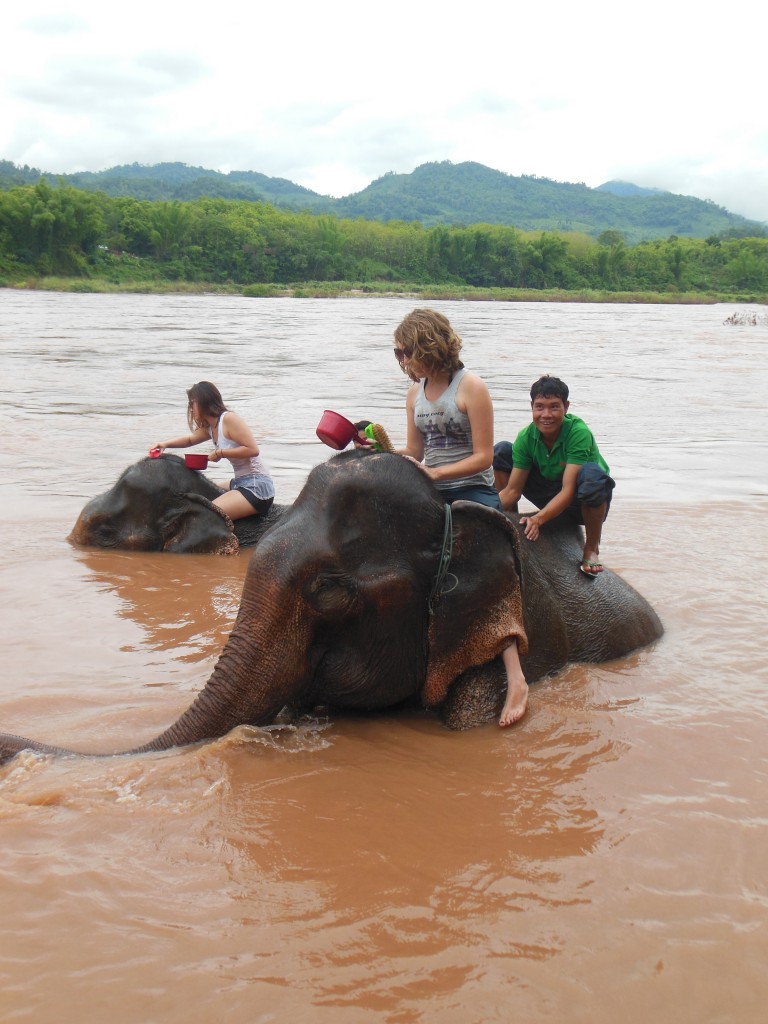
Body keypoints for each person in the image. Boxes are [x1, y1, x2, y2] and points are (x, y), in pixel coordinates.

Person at [393, 308, 528, 728]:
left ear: (426, 346)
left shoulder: (472, 388)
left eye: (404, 351)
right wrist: (379, 450)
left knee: (484, 569)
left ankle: (516, 677)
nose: (401, 360)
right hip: (430, 488)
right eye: (397, 352)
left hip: (471, 488)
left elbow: (484, 457)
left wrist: (437, 474)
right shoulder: (415, 395)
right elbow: (415, 452)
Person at [497, 375, 615, 577]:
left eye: (554, 407)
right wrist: (483, 510)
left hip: (581, 499)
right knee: (502, 451)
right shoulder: (526, 437)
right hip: (548, 491)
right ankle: (509, 524)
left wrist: (538, 519)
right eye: (540, 407)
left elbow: (568, 490)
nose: (546, 414)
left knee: (592, 474)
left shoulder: (578, 433)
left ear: (566, 407)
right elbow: (513, 490)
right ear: (532, 407)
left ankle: (592, 548)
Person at [150, 381, 275, 522]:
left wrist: (220, 453)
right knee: (200, 493)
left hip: (256, 486)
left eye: (192, 404)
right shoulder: (211, 426)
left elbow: (253, 450)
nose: (190, 409)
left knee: (205, 514)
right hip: (239, 482)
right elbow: (190, 440)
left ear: (204, 401)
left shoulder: (228, 419)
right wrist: (164, 444)